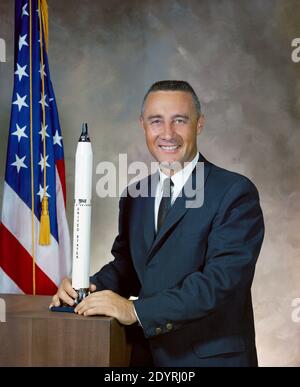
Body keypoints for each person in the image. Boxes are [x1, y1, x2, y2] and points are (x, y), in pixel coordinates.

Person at [50, 80, 264, 367]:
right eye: (156, 121)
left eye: (180, 120)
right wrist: (85, 288)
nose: (167, 133)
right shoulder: (135, 196)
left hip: (210, 360)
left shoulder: (234, 192)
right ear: (143, 125)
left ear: (199, 124)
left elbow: (219, 284)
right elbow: (127, 267)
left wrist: (135, 310)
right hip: (143, 358)